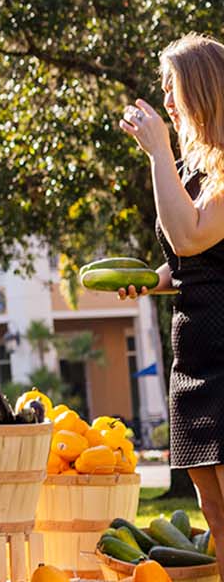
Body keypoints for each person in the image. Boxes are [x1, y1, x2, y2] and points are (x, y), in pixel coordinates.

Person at [116, 34, 224, 542]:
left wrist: (157, 151)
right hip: (193, 362)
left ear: (201, 91)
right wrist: (148, 282)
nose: (164, 102)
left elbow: (189, 235)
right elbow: (190, 261)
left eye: (171, 88)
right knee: (217, 520)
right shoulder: (192, 170)